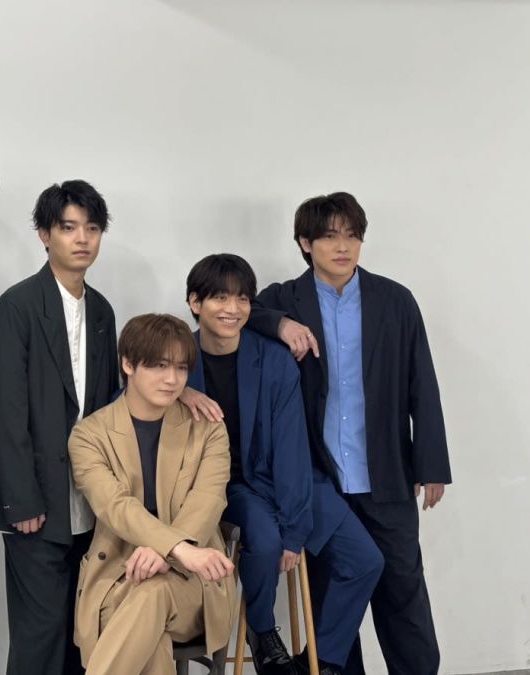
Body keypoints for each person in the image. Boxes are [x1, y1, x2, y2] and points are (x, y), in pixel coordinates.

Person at [248, 192, 452, 675]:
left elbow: (422, 383)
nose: (343, 246)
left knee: (403, 592)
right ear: (305, 242)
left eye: (352, 235)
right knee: (331, 599)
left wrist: (431, 465)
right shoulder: (285, 299)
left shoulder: (395, 300)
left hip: (386, 473)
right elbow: (240, 311)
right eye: (329, 236)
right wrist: (280, 324)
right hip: (320, 480)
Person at [183, 253, 382, 675]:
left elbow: (292, 449)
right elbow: (130, 394)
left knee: (365, 560)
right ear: (195, 302)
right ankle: (262, 631)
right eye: (220, 298)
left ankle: (323, 660)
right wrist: (180, 390)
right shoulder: (177, 356)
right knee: (265, 540)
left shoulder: (273, 359)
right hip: (228, 485)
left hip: (288, 478)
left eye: (242, 299)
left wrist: (296, 528)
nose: (232, 309)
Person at [0, 180, 119, 675]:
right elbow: (4, 412)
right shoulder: (17, 306)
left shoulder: (101, 311)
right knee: (40, 636)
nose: (82, 239)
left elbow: (106, 407)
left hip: (88, 499)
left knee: (84, 633)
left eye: (92, 228)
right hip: (34, 502)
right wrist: (22, 500)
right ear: (44, 235)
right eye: (68, 227)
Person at [68, 313, 238, 675]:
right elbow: (115, 506)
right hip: (117, 578)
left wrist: (167, 553)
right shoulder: (89, 436)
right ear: (128, 364)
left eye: (181, 368)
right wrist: (176, 548)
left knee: (153, 594)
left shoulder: (208, 429)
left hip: (193, 584)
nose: (172, 379)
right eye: (159, 366)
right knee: (147, 630)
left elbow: (208, 500)